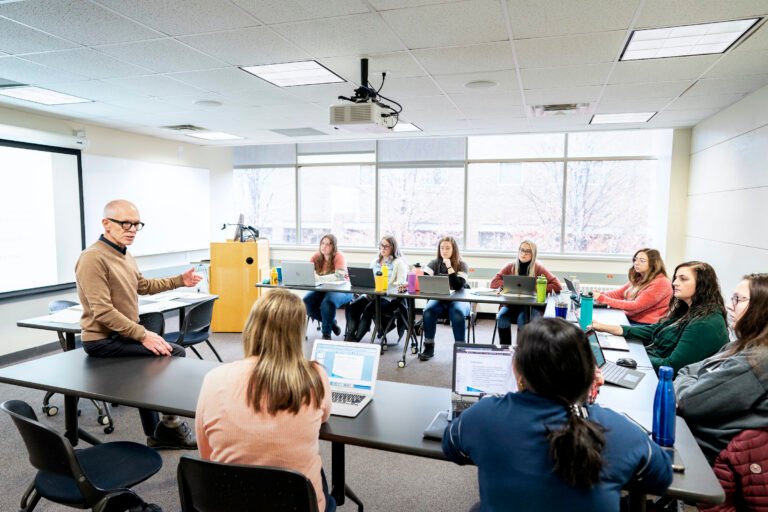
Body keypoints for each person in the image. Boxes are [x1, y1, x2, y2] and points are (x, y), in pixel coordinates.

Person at [443, 318, 672, 511]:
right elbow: (661, 477)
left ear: (516, 368)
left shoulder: (483, 416)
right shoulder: (618, 429)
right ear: (589, 373)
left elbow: (451, 447)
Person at [75, 199, 201, 449]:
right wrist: (143, 335)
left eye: (136, 224)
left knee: (154, 361)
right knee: (171, 352)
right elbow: (102, 312)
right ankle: (169, 427)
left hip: (121, 335)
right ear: (106, 224)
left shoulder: (125, 254)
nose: (132, 229)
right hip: (102, 341)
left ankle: (159, 432)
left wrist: (179, 280)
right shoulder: (92, 258)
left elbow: (142, 286)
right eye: (125, 223)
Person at [196, 289, 335, 511]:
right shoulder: (316, 377)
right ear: (297, 332)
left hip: (227, 503)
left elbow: (206, 455)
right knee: (316, 471)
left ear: (252, 327)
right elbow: (325, 415)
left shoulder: (213, 379)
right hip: (298, 505)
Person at [675, 273, 768, 464]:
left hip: (703, 454)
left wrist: (689, 383)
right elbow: (687, 370)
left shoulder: (755, 360)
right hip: (690, 436)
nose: (730, 305)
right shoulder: (741, 345)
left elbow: (687, 402)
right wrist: (694, 381)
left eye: (738, 299)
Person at [592, 261, 729, 376]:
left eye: (683, 278)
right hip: (653, 364)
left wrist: (635, 358)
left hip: (664, 379)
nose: (675, 283)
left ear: (702, 284)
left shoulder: (705, 323)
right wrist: (604, 327)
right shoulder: (688, 309)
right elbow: (654, 330)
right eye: (675, 278)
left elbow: (672, 366)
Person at [489, 239, 561, 345]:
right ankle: (505, 350)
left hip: (532, 307)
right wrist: (508, 285)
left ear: (533, 254)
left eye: (528, 251)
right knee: (501, 317)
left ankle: (521, 352)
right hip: (511, 305)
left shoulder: (538, 267)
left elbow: (557, 285)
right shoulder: (510, 266)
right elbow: (494, 283)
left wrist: (535, 287)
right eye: (522, 250)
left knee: (523, 320)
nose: (523, 253)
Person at [344, 235, 409, 342]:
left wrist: (383, 286)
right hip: (372, 295)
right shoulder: (375, 262)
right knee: (353, 307)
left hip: (388, 298)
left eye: (386, 246)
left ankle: (356, 339)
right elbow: (368, 278)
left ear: (393, 248)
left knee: (368, 309)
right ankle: (350, 335)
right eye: (381, 245)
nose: (382, 248)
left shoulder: (399, 263)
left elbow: (400, 283)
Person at [419, 236, 470, 361]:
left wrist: (449, 267)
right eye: (442, 248)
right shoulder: (434, 263)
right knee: (428, 312)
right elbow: (424, 280)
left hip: (459, 300)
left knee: (457, 314)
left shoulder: (462, 265)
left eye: (447, 248)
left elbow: (458, 286)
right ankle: (429, 346)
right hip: (440, 300)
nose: (444, 251)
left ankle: (460, 349)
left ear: (454, 250)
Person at [593, 248, 671, 325]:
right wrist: (601, 294)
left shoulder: (661, 282)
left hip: (646, 325)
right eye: (635, 259)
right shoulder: (640, 277)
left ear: (653, 264)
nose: (636, 263)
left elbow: (635, 306)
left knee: (602, 326)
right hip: (632, 319)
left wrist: (602, 298)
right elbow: (619, 293)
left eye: (642, 261)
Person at [303, 234, 352, 340]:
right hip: (323, 289)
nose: (324, 246)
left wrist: (319, 278)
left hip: (343, 289)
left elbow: (339, 276)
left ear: (333, 246)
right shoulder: (316, 256)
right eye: (322, 243)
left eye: (328, 244)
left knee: (327, 302)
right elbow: (307, 273)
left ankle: (326, 335)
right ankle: (332, 323)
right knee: (306, 301)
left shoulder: (339, 256)